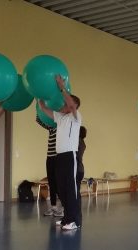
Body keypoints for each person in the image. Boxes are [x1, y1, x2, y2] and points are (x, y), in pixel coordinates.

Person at [39, 75, 82, 231]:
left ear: (74, 106)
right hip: (59, 157)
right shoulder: (60, 118)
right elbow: (44, 109)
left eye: (67, 103)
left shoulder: (76, 117)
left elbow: (70, 103)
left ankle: (74, 221)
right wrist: (40, 96)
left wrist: (62, 87)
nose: (64, 104)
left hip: (70, 156)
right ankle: (66, 218)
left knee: (70, 189)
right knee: (61, 188)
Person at [36, 118, 63, 217]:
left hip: (58, 158)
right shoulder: (52, 127)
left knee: (59, 183)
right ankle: (53, 207)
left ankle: (64, 207)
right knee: (51, 183)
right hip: (50, 158)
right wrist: (38, 108)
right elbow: (39, 120)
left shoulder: (62, 127)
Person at [76, 126, 86, 226]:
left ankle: (76, 212)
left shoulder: (78, 141)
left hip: (78, 170)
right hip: (80, 170)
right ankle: (76, 212)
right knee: (76, 192)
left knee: (76, 193)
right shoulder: (82, 142)